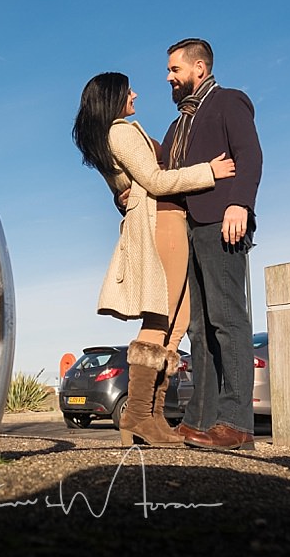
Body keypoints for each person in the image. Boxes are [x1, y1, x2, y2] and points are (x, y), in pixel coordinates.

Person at [72, 72, 236, 446]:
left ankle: (152, 416)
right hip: (163, 224)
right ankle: (138, 414)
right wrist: (210, 171)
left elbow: (130, 189)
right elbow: (156, 182)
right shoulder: (122, 132)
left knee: (177, 321)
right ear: (112, 97)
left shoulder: (109, 137)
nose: (135, 93)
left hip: (165, 222)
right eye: (127, 89)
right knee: (161, 318)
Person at [159, 38, 262, 450]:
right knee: (200, 329)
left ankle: (237, 424)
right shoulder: (178, 123)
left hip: (222, 222)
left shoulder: (228, 102)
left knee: (228, 320)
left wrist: (240, 203)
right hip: (187, 230)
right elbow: (162, 171)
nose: (169, 77)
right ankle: (199, 419)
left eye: (174, 70)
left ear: (199, 68)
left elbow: (249, 154)